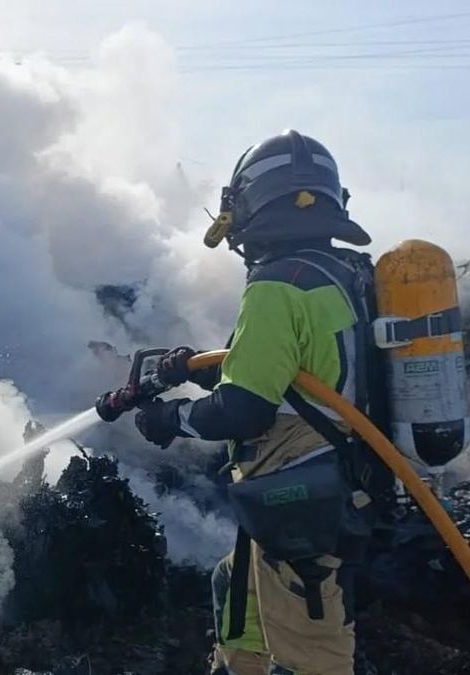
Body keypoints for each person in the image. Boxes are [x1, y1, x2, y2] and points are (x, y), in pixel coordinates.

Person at [132, 130, 391, 675]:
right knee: (234, 585)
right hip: (341, 477)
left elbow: (244, 410)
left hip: (304, 494)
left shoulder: (277, 285)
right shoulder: (343, 273)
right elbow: (302, 370)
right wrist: (200, 369)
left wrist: (170, 418)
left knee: (309, 655)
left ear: (250, 205)